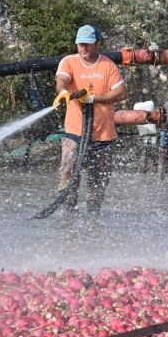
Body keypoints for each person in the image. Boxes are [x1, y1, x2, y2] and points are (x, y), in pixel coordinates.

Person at [52, 25, 128, 214]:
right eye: (80, 44)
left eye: (87, 44)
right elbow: (62, 79)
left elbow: (121, 92)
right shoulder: (68, 61)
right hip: (74, 131)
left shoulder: (108, 65)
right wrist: (62, 92)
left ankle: (93, 223)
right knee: (68, 173)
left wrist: (94, 98)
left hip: (103, 134)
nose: (83, 48)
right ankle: (68, 219)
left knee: (98, 181)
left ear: (98, 44)